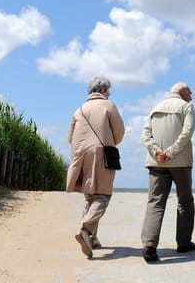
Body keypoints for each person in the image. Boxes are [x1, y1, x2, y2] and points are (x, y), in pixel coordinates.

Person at [66, 76, 125, 258]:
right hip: (102, 155)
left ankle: (92, 238)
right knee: (103, 196)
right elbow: (120, 131)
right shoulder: (109, 105)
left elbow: (70, 137)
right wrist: (109, 142)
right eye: (109, 90)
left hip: (80, 157)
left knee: (90, 197)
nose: (110, 93)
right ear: (103, 90)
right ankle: (85, 229)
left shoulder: (79, 110)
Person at [140, 82, 195, 262]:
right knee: (185, 201)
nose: (192, 95)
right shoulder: (186, 107)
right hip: (180, 163)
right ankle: (183, 243)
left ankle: (149, 246)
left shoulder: (155, 108)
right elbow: (187, 132)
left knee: (155, 202)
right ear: (181, 92)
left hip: (156, 162)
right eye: (190, 92)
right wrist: (170, 152)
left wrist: (157, 152)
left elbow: (145, 135)